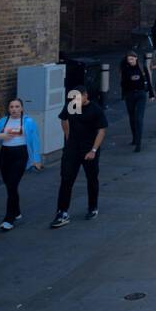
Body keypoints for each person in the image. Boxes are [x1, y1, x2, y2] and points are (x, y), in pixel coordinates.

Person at [52, 88, 107, 227]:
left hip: (89, 149)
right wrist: (67, 135)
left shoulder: (95, 109)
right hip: (72, 150)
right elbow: (63, 119)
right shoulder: (71, 107)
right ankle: (62, 212)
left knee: (91, 178)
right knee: (66, 179)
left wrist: (93, 150)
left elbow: (102, 130)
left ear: (85, 96)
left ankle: (92, 207)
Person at [0, 98, 42, 231]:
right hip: (5, 155)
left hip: (20, 154)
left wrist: (36, 159)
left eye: (17, 106)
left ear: (22, 108)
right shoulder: (3, 121)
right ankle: (16, 211)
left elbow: (35, 140)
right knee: (10, 187)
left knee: (12, 185)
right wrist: (2, 136)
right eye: (11, 107)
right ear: (8, 109)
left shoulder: (28, 122)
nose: (14, 109)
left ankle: (8, 219)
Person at [120, 50, 154, 152]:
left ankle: (138, 143)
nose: (130, 61)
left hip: (140, 94)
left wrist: (151, 94)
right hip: (130, 95)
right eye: (128, 59)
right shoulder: (125, 69)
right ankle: (134, 138)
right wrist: (124, 95)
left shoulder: (141, 67)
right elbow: (123, 83)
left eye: (132, 59)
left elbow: (148, 79)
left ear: (136, 58)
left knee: (139, 119)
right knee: (132, 118)